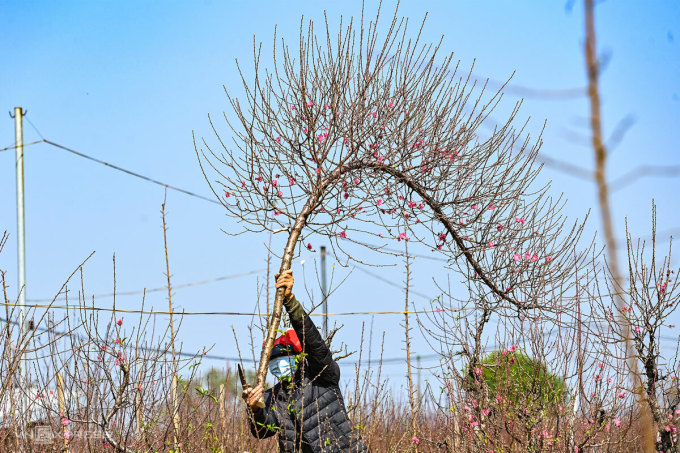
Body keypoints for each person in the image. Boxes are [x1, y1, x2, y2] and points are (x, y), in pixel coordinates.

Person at [242, 270, 369, 452]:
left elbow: (314, 343)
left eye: (284, 357)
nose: (278, 364)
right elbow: (262, 431)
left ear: (298, 356)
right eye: (273, 360)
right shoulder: (275, 396)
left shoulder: (322, 376)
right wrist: (255, 409)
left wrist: (290, 303)